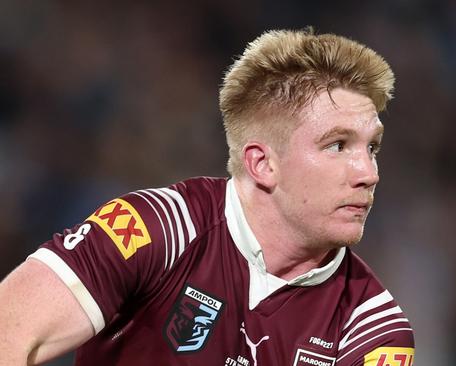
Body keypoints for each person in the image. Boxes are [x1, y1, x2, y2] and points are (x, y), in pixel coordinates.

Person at [0, 28, 415, 365]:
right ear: (262, 164)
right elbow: (12, 332)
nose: (368, 173)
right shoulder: (155, 228)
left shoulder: (371, 328)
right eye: (337, 145)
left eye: (372, 147)